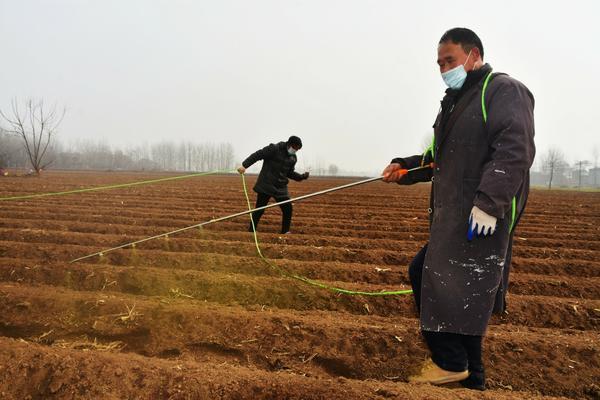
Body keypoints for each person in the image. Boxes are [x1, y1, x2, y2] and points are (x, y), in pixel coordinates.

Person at [382, 28, 535, 390]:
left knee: (427, 273)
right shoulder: (455, 100)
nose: (443, 68)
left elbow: (515, 150)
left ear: (474, 55)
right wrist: (403, 167)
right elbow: (439, 159)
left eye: (449, 60)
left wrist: (489, 204)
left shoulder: (501, 90)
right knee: (462, 292)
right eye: (439, 63)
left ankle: (450, 361)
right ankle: (470, 377)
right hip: (455, 216)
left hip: (480, 216)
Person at [238, 135, 309, 234]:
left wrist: (301, 177)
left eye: (297, 149)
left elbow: (289, 173)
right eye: (295, 148)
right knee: (260, 209)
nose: (295, 151)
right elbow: (258, 154)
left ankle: (285, 231)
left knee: (288, 208)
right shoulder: (275, 149)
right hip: (267, 184)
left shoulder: (293, 158)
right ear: (289, 144)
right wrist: (244, 165)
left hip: (280, 187)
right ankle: (252, 230)